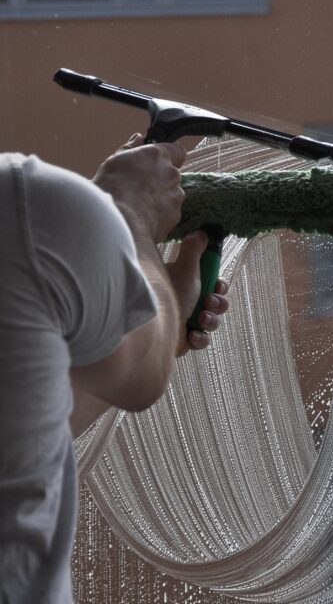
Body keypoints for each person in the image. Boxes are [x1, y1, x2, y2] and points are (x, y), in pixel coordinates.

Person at [0, 134, 229, 603]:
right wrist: (129, 215)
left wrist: (146, 331)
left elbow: (24, 427)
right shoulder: (27, 202)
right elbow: (141, 380)